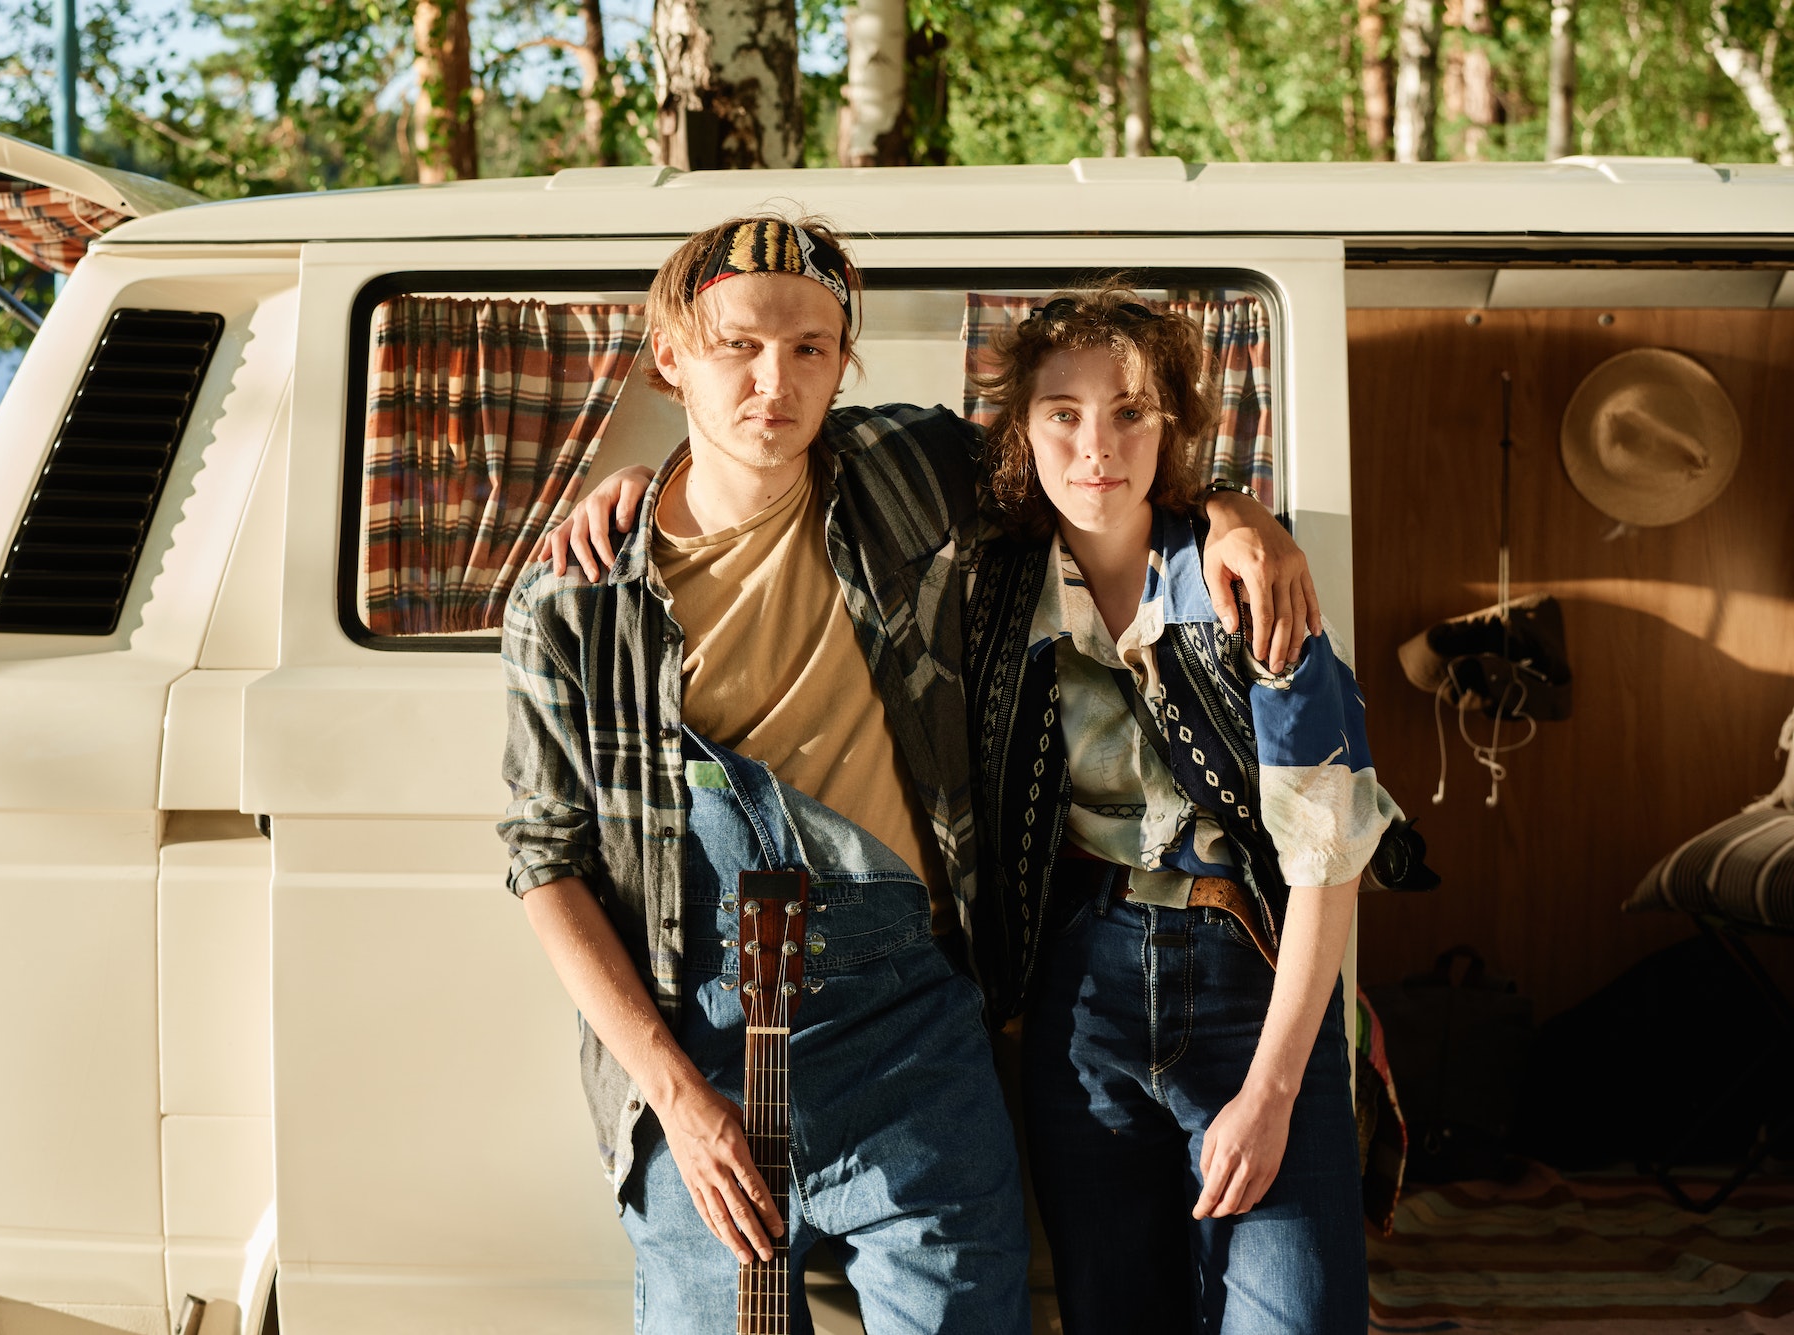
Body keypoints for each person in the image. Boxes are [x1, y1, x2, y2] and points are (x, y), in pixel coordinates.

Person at [507, 220, 1316, 1333]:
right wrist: (677, 1103)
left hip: (912, 1012)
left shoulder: (901, 469)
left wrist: (1237, 516)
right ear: (668, 358)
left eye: (809, 350)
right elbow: (542, 863)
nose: (771, 382)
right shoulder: (574, 601)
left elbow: (1090, 460)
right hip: (692, 1031)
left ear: (843, 364)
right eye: (737, 346)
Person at [966, 285, 1402, 1333]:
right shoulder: (992, 590)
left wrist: (1273, 1093)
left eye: (1129, 412)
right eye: (1059, 413)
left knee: (1289, 1316)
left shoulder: (1248, 589)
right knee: (1114, 1309)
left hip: (1247, 968)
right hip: (1078, 977)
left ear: (1173, 431)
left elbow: (1324, 861)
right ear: (1021, 433)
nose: (1094, 445)